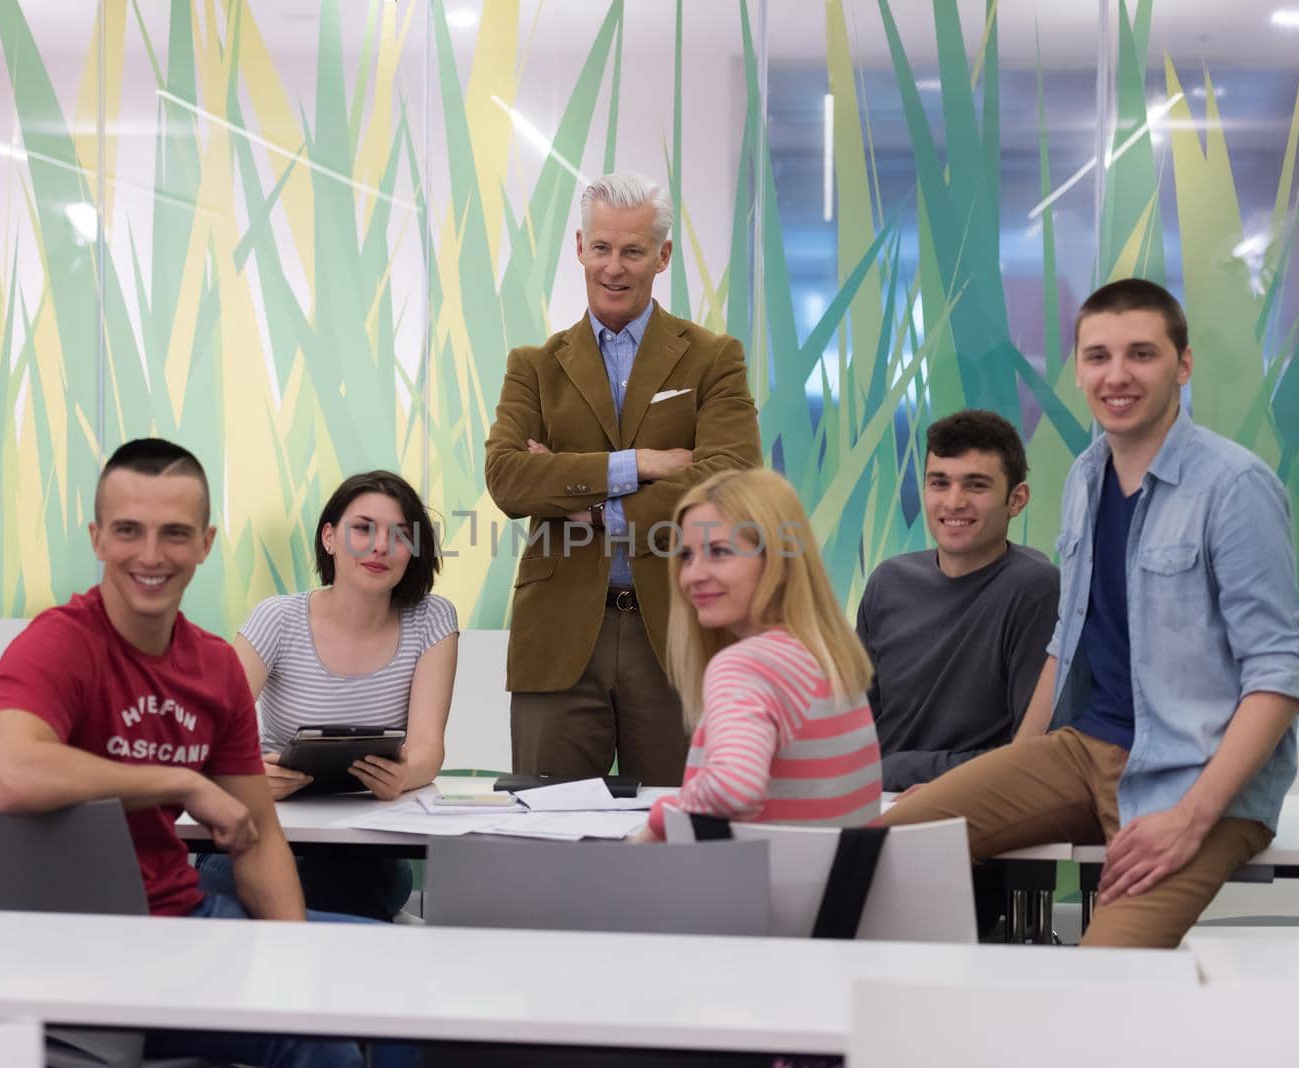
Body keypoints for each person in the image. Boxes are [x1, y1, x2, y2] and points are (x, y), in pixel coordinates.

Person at [882, 279, 1299, 948]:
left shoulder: (1235, 487)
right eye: (1097, 356)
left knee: (1100, 982)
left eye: (1141, 354)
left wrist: (1193, 819)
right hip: (1085, 752)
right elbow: (1067, 641)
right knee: (879, 852)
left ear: (1183, 364)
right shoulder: (1086, 477)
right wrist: (995, 783)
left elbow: (1279, 675)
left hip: (1193, 777)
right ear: (1079, 368)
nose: (1117, 376)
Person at [0, 439, 364, 1068]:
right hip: (78, 951)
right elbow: (9, 774)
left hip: (184, 920)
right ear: (97, 537)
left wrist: (292, 965)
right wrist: (180, 783)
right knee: (326, 1051)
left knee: (401, 984)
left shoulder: (213, 665)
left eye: (175, 534)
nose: (151, 556)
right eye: (129, 531)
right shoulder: (59, 644)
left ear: (206, 543)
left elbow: (259, 837)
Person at [485, 171, 761, 787]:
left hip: (680, 629)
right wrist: (642, 464)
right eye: (602, 248)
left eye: (633, 250)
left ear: (662, 256)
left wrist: (588, 506)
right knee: (545, 837)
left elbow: (732, 477)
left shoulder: (715, 358)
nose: (615, 267)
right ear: (579, 247)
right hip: (557, 638)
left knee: (683, 846)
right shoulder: (533, 366)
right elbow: (508, 479)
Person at [198, 470, 458, 920]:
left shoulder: (431, 619)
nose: (379, 547)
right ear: (330, 538)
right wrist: (253, 775)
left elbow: (427, 748)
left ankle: (275, 928)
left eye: (398, 534)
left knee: (368, 883)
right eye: (363, 528)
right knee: (223, 875)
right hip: (264, 829)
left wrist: (404, 775)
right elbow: (206, 738)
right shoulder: (277, 618)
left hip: (361, 851)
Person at [640, 468, 881, 840]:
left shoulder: (746, 665)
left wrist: (661, 818)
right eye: (686, 556)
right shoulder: (828, 657)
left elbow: (734, 786)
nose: (692, 575)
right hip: (822, 896)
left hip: (757, 895)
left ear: (781, 562)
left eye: (719, 552)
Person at [856, 410, 1059, 792]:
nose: (953, 502)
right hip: (874, 809)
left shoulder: (1036, 589)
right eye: (939, 482)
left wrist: (912, 774)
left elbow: (1035, 752)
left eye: (976, 485)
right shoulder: (887, 581)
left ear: (1017, 500)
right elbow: (852, 729)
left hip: (980, 818)